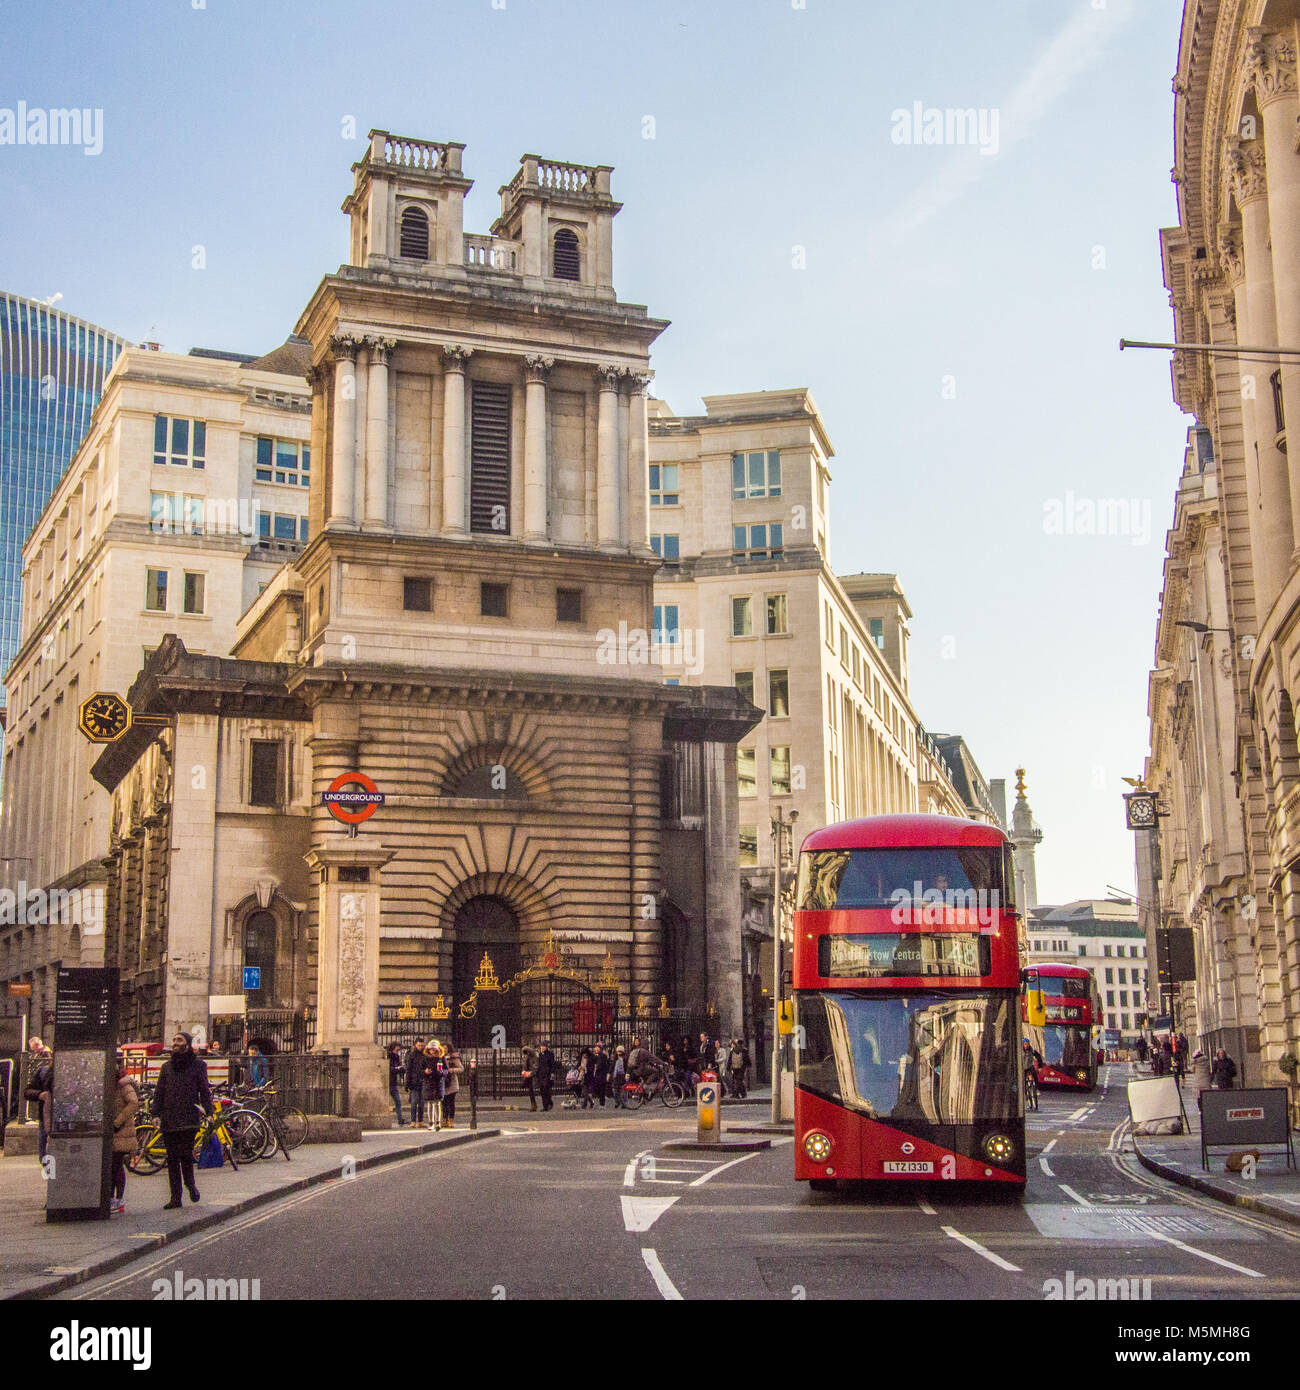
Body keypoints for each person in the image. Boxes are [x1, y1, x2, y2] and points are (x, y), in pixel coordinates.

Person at [152, 1032, 212, 1209]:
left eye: (179, 1040)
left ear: (187, 1044)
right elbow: (159, 1093)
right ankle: (175, 1197)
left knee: (185, 1156)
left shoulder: (198, 1065)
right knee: (171, 1159)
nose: (175, 1043)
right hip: (169, 1118)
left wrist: (209, 1112)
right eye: (174, 1040)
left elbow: (204, 1091)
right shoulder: (167, 1067)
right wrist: (155, 1114)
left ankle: (190, 1185)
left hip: (188, 1117)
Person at [110, 1054, 140, 1215]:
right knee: (111, 1167)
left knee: (116, 1166)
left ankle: (118, 1200)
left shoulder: (123, 1085)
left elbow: (134, 1103)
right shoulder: (111, 1085)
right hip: (113, 1132)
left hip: (121, 1132)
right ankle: (111, 1199)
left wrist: (118, 1122)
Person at [24, 1037, 54, 1163]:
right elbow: (27, 1092)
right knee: (45, 1155)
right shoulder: (44, 1071)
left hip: (58, 1117)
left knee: (48, 1154)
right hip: (45, 1116)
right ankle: (51, 1176)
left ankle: (53, 1177)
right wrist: (40, 1094)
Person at [423, 1041, 444, 1130]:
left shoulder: (441, 1058)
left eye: (434, 1049)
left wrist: (442, 1072)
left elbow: (446, 1069)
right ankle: (431, 1122)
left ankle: (438, 1122)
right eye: (431, 1049)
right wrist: (425, 1072)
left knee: (437, 1103)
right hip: (428, 1082)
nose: (432, 1051)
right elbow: (420, 1070)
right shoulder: (425, 1058)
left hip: (438, 1082)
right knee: (430, 1103)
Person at [405, 1039, 426, 1126]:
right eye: (418, 1045)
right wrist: (407, 1083)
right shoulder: (411, 1055)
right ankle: (413, 1121)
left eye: (421, 1045)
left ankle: (420, 1121)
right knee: (414, 1102)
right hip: (414, 1081)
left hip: (422, 1081)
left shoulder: (424, 1055)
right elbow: (408, 1069)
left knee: (421, 1102)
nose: (420, 1047)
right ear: (415, 1045)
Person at [441, 1049, 463, 1128]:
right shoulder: (439, 1057)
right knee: (444, 1103)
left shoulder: (454, 1058)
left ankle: (451, 1120)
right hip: (443, 1082)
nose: (445, 1050)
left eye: (446, 1048)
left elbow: (461, 1069)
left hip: (452, 1083)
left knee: (451, 1103)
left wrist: (452, 1070)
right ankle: (444, 1119)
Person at [386, 1042, 406, 1126]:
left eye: (398, 1050)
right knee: (394, 1101)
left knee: (398, 1101)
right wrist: (396, 1069)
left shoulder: (397, 1057)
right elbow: (389, 1068)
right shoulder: (388, 1056)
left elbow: (397, 1067)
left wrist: (401, 1069)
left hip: (393, 1082)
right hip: (388, 1081)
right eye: (396, 1050)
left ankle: (400, 1119)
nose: (397, 1052)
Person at [535, 1041, 556, 1112]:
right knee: (542, 1091)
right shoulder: (540, 1054)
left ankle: (549, 1103)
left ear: (546, 1047)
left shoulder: (550, 1054)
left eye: (544, 1046)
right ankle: (545, 1106)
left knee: (547, 1090)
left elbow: (552, 1064)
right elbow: (539, 1065)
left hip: (547, 1074)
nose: (542, 1047)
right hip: (541, 1074)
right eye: (541, 1046)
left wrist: (552, 1073)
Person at [590, 1042, 610, 1107]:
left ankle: (602, 1104)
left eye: (597, 1047)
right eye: (595, 1047)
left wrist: (597, 1067)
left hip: (601, 1075)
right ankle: (602, 1102)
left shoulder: (602, 1055)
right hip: (599, 1075)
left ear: (600, 1048)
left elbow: (601, 1065)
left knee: (600, 1089)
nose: (595, 1049)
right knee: (599, 1089)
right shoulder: (598, 1055)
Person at [522, 1043, 538, 1112]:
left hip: (533, 1076)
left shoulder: (534, 1057)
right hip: (528, 1076)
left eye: (526, 1052)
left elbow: (536, 1067)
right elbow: (524, 1067)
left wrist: (531, 1073)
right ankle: (533, 1104)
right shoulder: (526, 1058)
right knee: (530, 1091)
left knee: (532, 1090)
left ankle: (534, 1105)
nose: (525, 1054)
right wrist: (524, 1072)